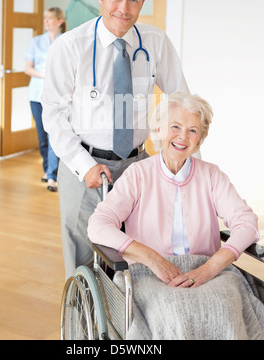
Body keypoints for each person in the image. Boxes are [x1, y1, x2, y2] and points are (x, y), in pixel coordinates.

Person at [41, 0, 190, 279]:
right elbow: (53, 113)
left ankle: (127, 319)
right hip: (83, 163)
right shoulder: (69, 46)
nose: (124, 8)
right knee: (82, 251)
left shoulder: (155, 41)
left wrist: (183, 160)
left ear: (143, 1)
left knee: (138, 248)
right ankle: (83, 321)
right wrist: (84, 165)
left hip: (137, 163)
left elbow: (181, 102)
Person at [88, 91, 263, 340]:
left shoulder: (211, 175)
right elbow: (98, 225)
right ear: (159, 129)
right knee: (173, 313)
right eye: (175, 126)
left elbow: (246, 222)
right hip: (148, 274)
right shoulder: (138, 174)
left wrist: (210, 268)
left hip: (208, 272)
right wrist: (152, 258)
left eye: (193, 130)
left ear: (200, 138)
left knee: (223, 308)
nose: (183, 136)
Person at [25, 7, 66, 192]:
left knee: (54, 136)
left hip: (58, 96)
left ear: (60, 21)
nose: (46, 21)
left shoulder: (66, 41)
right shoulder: (36, 42)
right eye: (45, 18)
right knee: (42, 137)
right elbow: (28, 69)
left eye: (50, 18)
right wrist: (46, 75)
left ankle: (52, 176)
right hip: (36, 95)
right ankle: (47, 169)